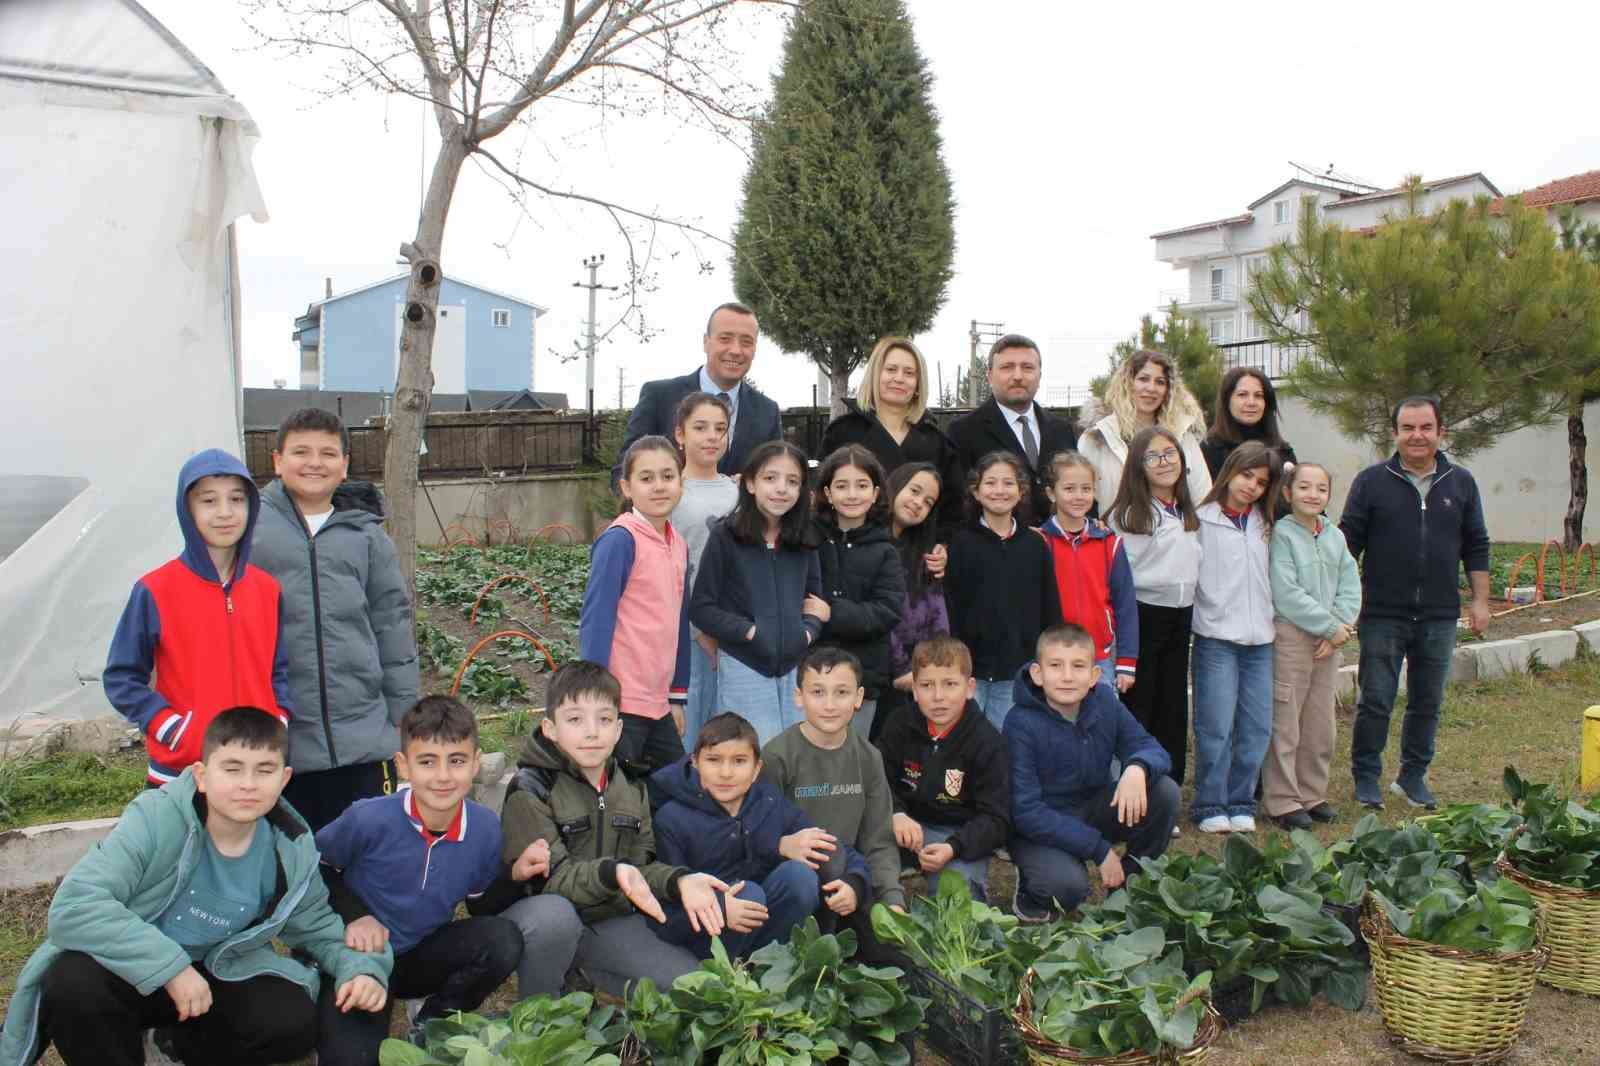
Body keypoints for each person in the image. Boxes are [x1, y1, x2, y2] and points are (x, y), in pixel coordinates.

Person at [0, 708, 391, 1066]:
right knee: (72, 983)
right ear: (202, 776)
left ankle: (174, 1048)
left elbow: (319, 927)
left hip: (216, 971)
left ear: (284, 778)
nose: (248, 785)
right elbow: (75, 906)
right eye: (232, 769)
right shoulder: (155, 818)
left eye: (265, 769)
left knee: (290, 1022)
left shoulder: (288, 846)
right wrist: (171, 968)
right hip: (130, 969)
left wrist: (361, 970)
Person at [314, 696, 533, 1066]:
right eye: (428, 761)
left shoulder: (484, 828)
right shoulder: (368, 818)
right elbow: (316, 868)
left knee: (503, 939)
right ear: (404, 765)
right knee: (352, 1058)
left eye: (457, 760)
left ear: (476, 762)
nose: (444, 776)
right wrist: (355, 915)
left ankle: (433, 1020)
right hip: (360, 956)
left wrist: (515, 875)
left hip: (420, 951)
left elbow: (480, 903)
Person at [488, 661, 725, 997]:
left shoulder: (631, 786)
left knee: (695, 986)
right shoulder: (531, 788)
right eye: (575, 719)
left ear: (618, 730)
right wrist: (612, 873)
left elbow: (641, 868)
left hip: (606, 920)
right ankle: (539, 1017)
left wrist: (679, 880)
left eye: (604, 719)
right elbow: (554, 882)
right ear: (550, 728)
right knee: (556, 919)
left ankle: (587, 972)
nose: (591, 732)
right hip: (539, 917)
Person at [252, 407, 420, 831]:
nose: (314, 462)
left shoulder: (366, 534)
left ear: (344, 465)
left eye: (328, 453)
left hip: (362, 735)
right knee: (294, 860)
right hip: (285, 739)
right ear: (277, 461)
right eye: (301, 452)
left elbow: (392, 623)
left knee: (367, 853)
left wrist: (403, 711)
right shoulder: (251, 530)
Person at [104, 450, 294, 786]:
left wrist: (278, 719)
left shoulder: (267, 590)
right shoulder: (155, 589)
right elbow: (122, 676)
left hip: (255, 773)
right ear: (187, 509)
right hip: (181, 774)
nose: (225, 512)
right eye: (209, 501)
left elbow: (278, 671)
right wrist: (170, 727)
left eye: (237, 499)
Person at [1341, 396, 1491, 811]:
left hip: (1439, 615)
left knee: (1428, 700)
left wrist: (1480, 600)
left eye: (1425, 427)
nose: (1417, 435)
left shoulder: (1461, 482)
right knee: (1376, 699)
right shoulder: (1371, 481)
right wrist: (1339, 603)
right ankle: (1367, 776)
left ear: (1441, 432)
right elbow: (1346, 544)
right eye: (1408, 428)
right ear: (1394, 433)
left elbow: (1476, 543)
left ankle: (1412, 777)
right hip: (1383, 614)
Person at [1005, 625, 1180, 923]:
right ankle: (1032, 888)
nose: (1067, 676)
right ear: (1037, 673)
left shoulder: (1105, 703)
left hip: (1093, 807)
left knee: (1165, 792)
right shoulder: (1019, 723)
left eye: (1078, 666)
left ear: (1095, 676)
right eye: (1056, 666)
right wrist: (1099, 850)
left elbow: (1149, 747)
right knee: (1067, 888)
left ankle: (1129, 885)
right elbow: (1025, 811)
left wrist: (1137, 768)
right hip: (1040, 826)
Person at [650, 712, 853, 959]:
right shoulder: (671, 819)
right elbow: (663, 910)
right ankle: (724, 974)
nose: (726, 773)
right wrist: (722, 908)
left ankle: (768, 964)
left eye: (739, 761)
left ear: (757, 768)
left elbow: (828, 843)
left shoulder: (767, 801)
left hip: (759, 926)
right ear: (695, 762)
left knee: (800, 876)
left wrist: (855, 882)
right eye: (714, 760)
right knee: (750, 894)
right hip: (703, 934)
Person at [762, 647, 906, 958]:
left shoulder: (868, 757)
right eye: (817, 692)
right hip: (795, 883)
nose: (829, 705)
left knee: (892, 956)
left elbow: (878, 840)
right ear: (799, 697)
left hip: (849, 879)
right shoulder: (776, 757)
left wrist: (891, 899)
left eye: (841, 693)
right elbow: (760, 836)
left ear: (858, 698)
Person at [690, 441, 827, 745]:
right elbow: (701, 607)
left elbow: (816, 601)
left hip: (795, 669)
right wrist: (750, 632)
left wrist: (806, 633)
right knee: (755, 754)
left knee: (793, 755)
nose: (782, 489)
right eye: (770, 478)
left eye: (792, 481)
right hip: (744, 667)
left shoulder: (804, 538)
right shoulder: (726, 536)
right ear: (750, 483)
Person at [580, 434, 691, 774]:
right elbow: (596, 619)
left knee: (677, 789)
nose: (659, 486)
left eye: (667, 476)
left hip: (658, 703)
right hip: (620, 701)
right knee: (620, 798)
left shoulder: (679, 544)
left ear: (681, 482)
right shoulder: (620, 540)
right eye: (646, 478)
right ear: (627, 488)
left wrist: (675, 696)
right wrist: (597, 699)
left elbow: (679, 623)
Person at [1189, 442, 1281, 834]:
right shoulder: (1199, 521)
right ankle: (1210, 803)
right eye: (1247, 476)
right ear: (1229, 471)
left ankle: (1241, 799)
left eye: (1261, 482)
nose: (1252, 487)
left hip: (1260, 640)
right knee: (1216, 726)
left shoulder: (1267, 523)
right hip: (1216, 639)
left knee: (1257, 726)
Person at [876, 635, 1010, 902]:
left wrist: (954, 847)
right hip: (901, 824)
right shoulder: (898, 724)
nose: (938, 697)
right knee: (865, 874)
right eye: (927, 685)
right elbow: (876, 778)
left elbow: (996, 819)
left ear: (970, 687)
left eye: (950, 684)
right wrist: (895, 812)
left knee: (959, 897)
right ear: (914, 689)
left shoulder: (988, 742)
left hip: (956, 833)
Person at [1264, 463, 1361, 830]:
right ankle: (1283, 799)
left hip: (1329, 642)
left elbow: (1351, 583)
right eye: (1304, 487)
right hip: (1292, 638)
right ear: (1288, 494)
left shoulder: (1334, 536)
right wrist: (1326, 625)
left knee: (1320, 724)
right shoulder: (1282, 536)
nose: (1312, 494)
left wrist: (1338, 626)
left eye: (1321, 489)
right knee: (1286, 721)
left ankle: (1311, 793)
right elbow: (1285, 591)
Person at [1106, 426, 1202, 789]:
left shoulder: (1186, 511)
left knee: (1173, 705)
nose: (1164, 462)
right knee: (1141, 706)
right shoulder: (1131, 514)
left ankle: (1170, 784)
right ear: (1138, 466)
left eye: (1170, 453)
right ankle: (1138, 786)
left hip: (1181, 616)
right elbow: (1123, 579)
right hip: (1144, 615)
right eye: (1153, 456)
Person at [943, 451, 1063, 730]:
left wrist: (1050, 659)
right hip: (970, 669)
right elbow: (950, 604)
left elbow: (1050, 607)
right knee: (967, 742)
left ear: (1021, 491)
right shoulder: (960, 543)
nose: (999, 490)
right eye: (991, 482)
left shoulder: (1035, 545)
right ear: (976, 490)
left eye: (1008, 483)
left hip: (1016, 670)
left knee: (1005, 747)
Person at [614, 302, 781, 483]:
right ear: (705, 342)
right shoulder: (659, 397)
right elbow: (623, 472)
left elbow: (775, 477)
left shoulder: (767, 411)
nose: (735, 350)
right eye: (725, 339)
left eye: (746, 342)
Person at [820, 336, 963, 529]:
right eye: (891, 369)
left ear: (918, 385)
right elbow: (820, 493)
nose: (899, 378)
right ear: (875, 375)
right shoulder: (843, 432)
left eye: (909, 373)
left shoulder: (936, 442)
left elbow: (953, 506)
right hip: (853, 549)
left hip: (917, 552)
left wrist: (942, 544)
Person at [811, 445, 905, 738]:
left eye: (862, 485)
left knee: (849, 761)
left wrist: (831, 612)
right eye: (842, 486)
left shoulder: (885, 550)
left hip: (863, 677)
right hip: (812, 671)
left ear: (876, 493)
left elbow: (888, 610)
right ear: (827, 493)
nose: (852, 494)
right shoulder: (809, 540)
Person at [669, 392, 740, 751]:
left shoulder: (739, 491)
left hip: (736, 629)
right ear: (680, 434)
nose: (712, 436)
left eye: (720, 428)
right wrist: (699, 631)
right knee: (694, 732)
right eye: (701, 427)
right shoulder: (671, 493)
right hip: (689, 634)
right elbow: (672, 573)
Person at [948, 334, 1079, 524]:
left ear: (1039, 376)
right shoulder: (963, 432)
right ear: (990, 376)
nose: (1017, 376)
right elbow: (957, 503)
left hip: (1059, 548)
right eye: (1007, 367)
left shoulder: (1063, 429)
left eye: (1027, 367)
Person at [1039, 451, 1139, 692]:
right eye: (1070, 488)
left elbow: (1125, 604)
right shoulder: (1039, 543)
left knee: (1102, 725)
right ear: (1052, 493)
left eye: (1086, 488)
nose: (1079, 496)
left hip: (1099, 657)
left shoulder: (1109, 543)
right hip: (1053, 657)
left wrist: (1127, 661)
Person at [1079, 350, 1211, 513]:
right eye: (1143, 379)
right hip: (1116, 535)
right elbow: (1081, 497)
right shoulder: (1097, 437)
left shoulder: (1183, 435)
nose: (1151, 388)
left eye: (1160, 382)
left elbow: (1202, 497)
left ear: (1168, 390)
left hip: (1175, 535)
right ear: (1127, 383)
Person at [882, 462, 951, 739]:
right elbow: (881, 615)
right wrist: (901, 668)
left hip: (918, 678)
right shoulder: (868, 541)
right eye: (914, 490)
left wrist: (936, 665)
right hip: (880, 673)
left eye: (928, 501)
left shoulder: (924, 552)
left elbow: (938, 614)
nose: (918, 503)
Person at [1199, 366, 1298, 480]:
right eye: (1242, 395)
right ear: (1227, 400)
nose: (1251, 402)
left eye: (1258, 395)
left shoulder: (1283, 451)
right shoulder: (1210, 449)